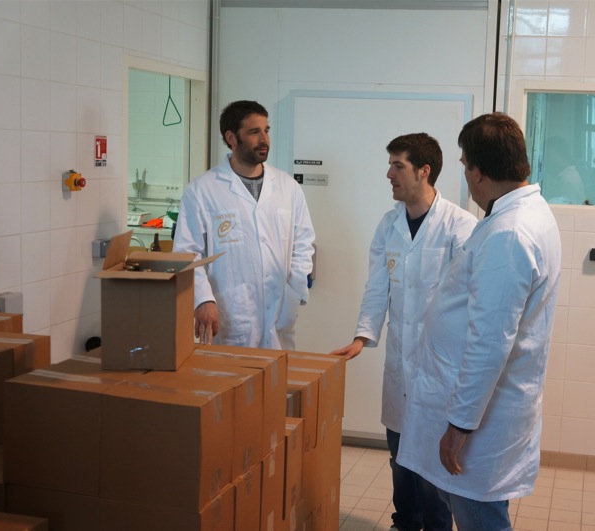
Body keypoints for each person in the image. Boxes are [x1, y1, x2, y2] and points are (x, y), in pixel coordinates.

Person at [397, 113, 562, 531]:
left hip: (482, 417)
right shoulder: (521, 213)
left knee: (479, 518)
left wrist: (459, 425)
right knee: (477, 512)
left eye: (464, 164)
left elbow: (490, 341)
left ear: (477, 172)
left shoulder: (510, 232)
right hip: (483, 402)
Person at [331, 133, 476, 531]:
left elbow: (467, 302)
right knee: (399, 456)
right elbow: (377, 287)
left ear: (423, 171)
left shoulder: (460, 226)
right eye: (390, 165)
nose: (389, 174)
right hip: (400, 359)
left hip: (440, 365)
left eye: (398, 165)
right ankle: (404, 523)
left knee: (432, 466)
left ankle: (436, 526)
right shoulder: (389, 225)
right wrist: (362, 336)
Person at [174, 100, 315, 350]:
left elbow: (303, 243)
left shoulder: (287, 187)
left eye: (266, 130)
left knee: (278, 373)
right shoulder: (202, 190)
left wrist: (295, 289)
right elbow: (187, 253)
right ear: (231, 138)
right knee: (229, 373)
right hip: (230, 314)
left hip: (280, 310)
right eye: (254, 132)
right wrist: (202, 299)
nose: (264, 139)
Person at [541, 136, 586, 205]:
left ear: (562, 156)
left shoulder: (568, 181)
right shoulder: (563, 177)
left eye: (549, 156)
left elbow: (569, 210)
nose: (545, 161)